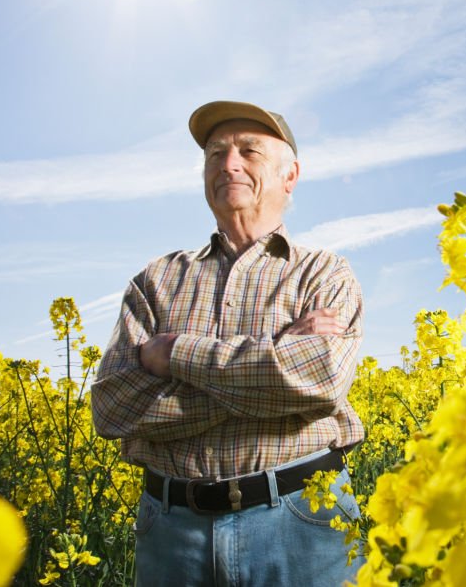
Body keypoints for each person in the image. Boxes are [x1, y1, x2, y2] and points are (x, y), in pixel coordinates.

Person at [92, 101, 364, 587]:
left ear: (290, 176)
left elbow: (319, 380)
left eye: (248, 151)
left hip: (303, 520)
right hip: (172, 529)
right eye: (215, 153)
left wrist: (175, 352)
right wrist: (273, 364)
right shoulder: (155, 280)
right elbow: (113, 408)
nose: (228, 163)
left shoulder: (324, 272)